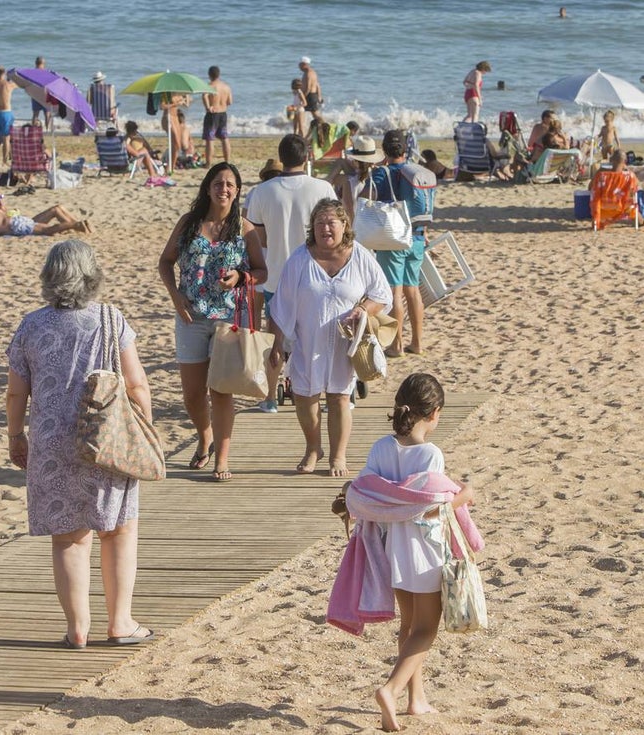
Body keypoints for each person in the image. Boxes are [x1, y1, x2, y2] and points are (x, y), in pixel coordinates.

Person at [6, 239, 154, 649]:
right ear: (92, 275)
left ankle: (78, 628)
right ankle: (120, 622)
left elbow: (16, 392)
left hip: (51, 444)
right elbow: (137, 384)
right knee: (118, 529)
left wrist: (15, 434)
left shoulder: (31, 326)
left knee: (68, 537)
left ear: (49, 276)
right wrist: (144, 428)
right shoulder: (110, 319)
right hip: (106, 440)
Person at [339, 373, 478, 732]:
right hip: (424, 548)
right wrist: (464, 495)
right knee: (427, 628)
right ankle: (391, 689)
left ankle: (416, 699)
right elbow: (428, 507)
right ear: (434, 413)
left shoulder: (380, 448)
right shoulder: (430, 454)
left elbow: (373, 493)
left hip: (392, 548)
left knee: (409, 624)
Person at [158, 163, 266, 480]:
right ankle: (205, 436)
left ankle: (222, 458)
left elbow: (262, 271)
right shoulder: (189, 223)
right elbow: (165, 262)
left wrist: (241, 277)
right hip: (191, 316)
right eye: (218, 183)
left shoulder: (244, 228)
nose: (224, 189)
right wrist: (175, 296)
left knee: (221, 391)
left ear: (237, 190)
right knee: (192, 395)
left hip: (228, 320)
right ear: (208, 187)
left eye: (230, 184)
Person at [270, 199, 391, 477]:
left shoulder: (359, 256)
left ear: (344, 225)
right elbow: (280, 305)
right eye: (320, 223)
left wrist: (363, 309)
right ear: (312, 227)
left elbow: (382, 294)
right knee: (304, 396)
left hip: (343, 343)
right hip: (307, 340)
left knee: (339, 397)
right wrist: (276, 343)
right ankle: (313, 449)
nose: (325, 228)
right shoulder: (299, 259)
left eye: (331, 222)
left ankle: (338, 455)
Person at [244, 134, 336, 414]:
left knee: (275, 340)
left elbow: (259, 238)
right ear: (307, 156)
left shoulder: (262, 192)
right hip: (315, 275)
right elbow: (335, 232)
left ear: (281, 157)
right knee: (318, 338)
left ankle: (270, 397)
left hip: (277, 276)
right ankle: (322, 394)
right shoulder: (323, 188)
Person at [369, 130, 436, 357]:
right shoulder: (415, 173)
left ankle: (396, 345)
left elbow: (367, 197)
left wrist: (373, 171)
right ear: (405, 149)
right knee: (413, 291)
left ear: (384, 150)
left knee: (395, 293)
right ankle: (417, 343)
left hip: (393, 239)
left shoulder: (383, 172)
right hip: (417, 236)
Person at [0, 198, 91, 237]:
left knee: (47, 230)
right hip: (16, 220)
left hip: (15, 226)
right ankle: (76, 225)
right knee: (45, 226)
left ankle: (75, 225)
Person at [340, 135, 383, 220]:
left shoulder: (349, 183)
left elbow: (349, 213)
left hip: (360, 225)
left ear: (356, 162)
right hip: (381, 225)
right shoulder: (380, 178)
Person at [202, 65, 233, 164]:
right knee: (224, 138)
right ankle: (227, 161)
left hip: (213, 114)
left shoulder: (209, 86)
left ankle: (208, 163)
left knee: (210, 139)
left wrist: (208, 107)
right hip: (223, 113)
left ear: (209, 75)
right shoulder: (226, 87)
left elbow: (204, 96)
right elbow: (230, 102)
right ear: (219, 74)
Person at [299, 56, 324, 123]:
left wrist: (303, 98)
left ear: (304, 64)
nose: (299, 67)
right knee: (312, 113)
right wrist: (319, 96)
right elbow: (317, 85)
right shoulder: (311, 72)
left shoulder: (309, 74)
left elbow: (308, 88)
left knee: (314, 114)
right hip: (312, 95)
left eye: (300, 65)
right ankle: (321, 126)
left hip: (310, 96)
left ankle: (324, 125)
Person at [30, 56, 52, 128]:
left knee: (35, 114)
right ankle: (47, 129)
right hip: (45, 95)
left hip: (35, 95)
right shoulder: (47, 72)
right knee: (47, 114)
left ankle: (33, 130)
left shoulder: (31, 73)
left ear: (35, 63)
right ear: (43, 63)